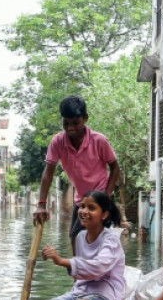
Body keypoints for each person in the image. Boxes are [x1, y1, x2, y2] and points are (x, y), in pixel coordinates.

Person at [34, 95, 124, 252]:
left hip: (100, 196)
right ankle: (78, 273)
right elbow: (48, 173)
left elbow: (115, 168)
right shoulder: (58, 142)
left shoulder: (99, 140)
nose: (70, 128)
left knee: (93, 241)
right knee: (75, 237)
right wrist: (41, 205)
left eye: (75, 123)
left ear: (85, 119)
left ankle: (92, 270)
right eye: (66, 123)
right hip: (81, 199)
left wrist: (107, 196)